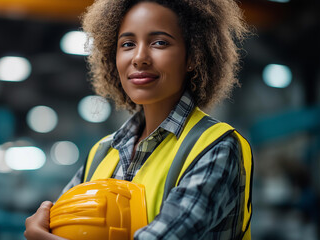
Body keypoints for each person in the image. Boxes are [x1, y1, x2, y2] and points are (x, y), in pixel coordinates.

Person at [25, 0, 252, 239]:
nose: (139, 57)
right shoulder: (100, 154)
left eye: (160, 42)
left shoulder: (216, 147)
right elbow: (57, 224)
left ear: (193, 56)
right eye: (128, 44)